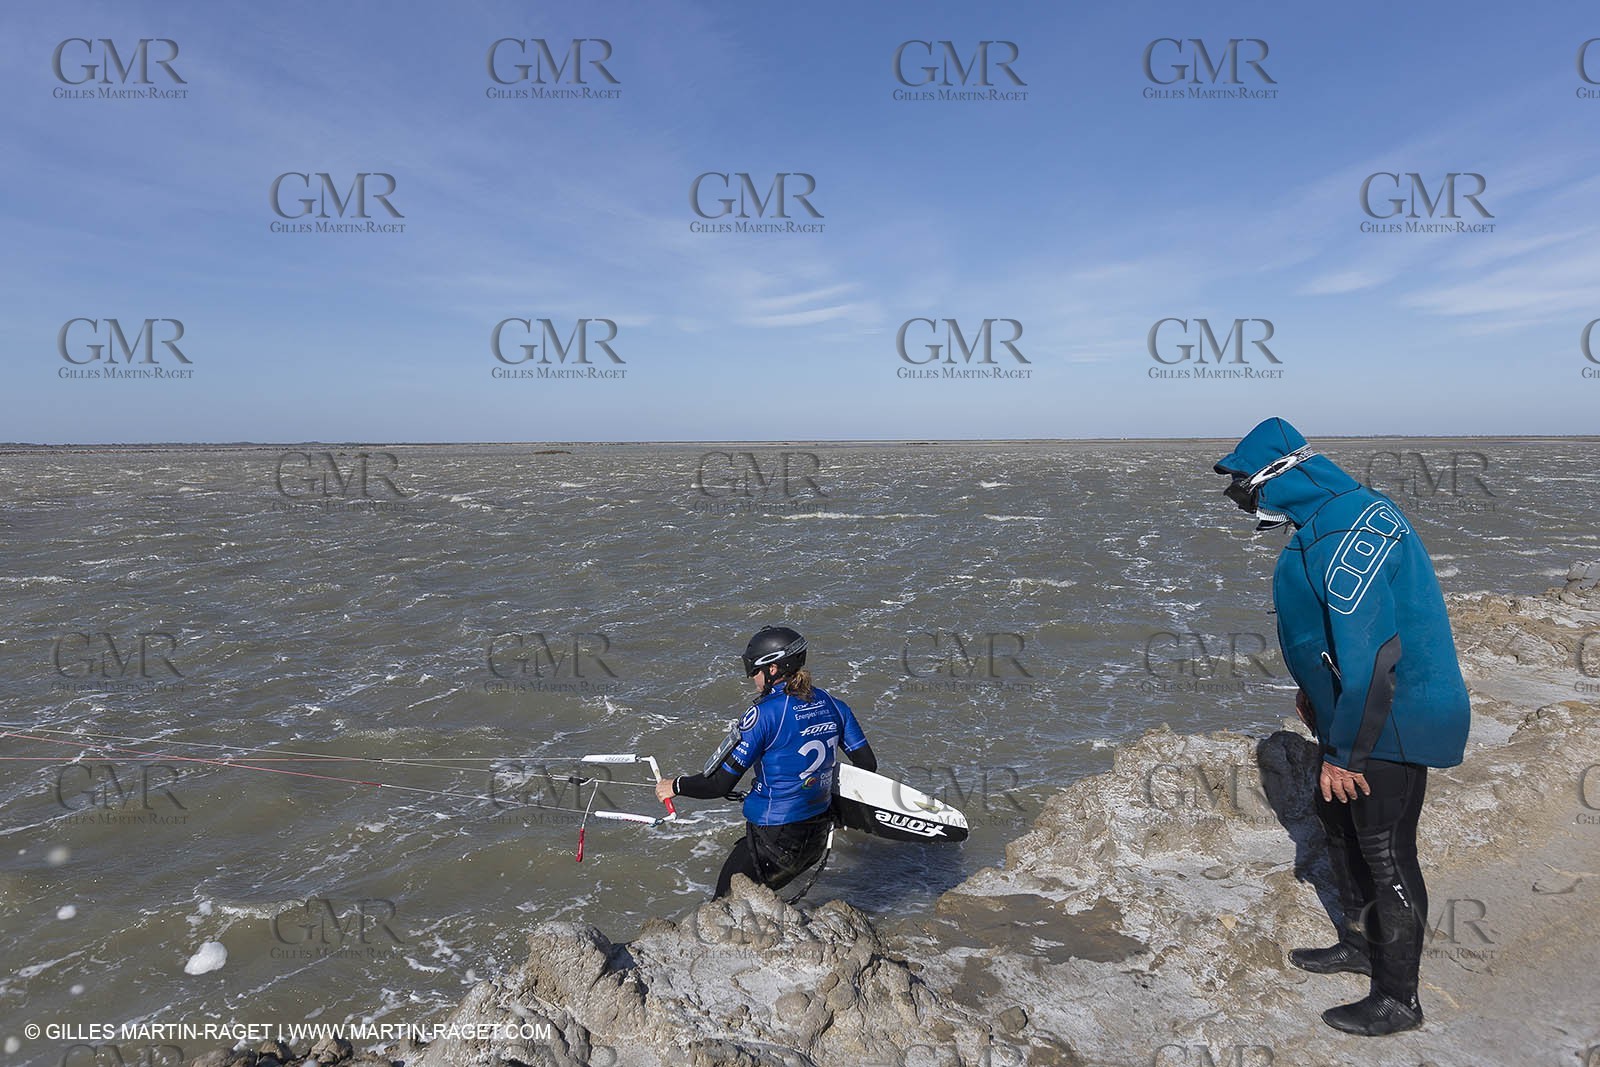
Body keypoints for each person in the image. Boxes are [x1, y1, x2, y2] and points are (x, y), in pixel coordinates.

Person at [1214, 417, 1471, 1037]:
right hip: (1353, 713)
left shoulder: (1345, 532)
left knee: (1385, 853)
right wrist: (1313, 692)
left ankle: (1397, 997)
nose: (1242, 500)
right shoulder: (1336, 515)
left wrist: (1346, 754)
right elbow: (1329, 636)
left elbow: (1372, 655)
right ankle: (1360, 944)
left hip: (1391, 719)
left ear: (1282, 475)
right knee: (1340, 829)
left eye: (1244, 485)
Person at [656, 625, 876, 899]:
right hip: (815, 839)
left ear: (773, 670)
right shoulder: (835, 704)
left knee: (721, 907)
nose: (753, 679)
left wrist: (676, 786)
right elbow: (867, 765)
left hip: (773, 843)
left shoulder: (763, 715)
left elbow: (719, 785)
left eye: (755, 671)